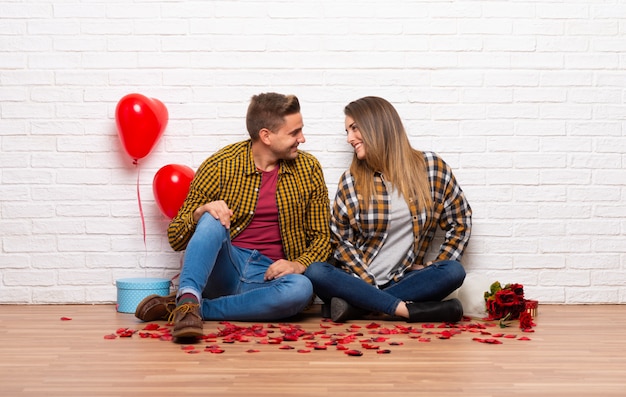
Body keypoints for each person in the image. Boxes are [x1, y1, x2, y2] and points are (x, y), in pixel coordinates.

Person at [135, 92, 332, 340]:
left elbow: (322, 238)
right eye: (294, 133)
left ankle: (189, 308)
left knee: (301, 289)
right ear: (266, 136)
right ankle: (189, 296)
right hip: (225, 267)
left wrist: (297, 264)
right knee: (212, 216)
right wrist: (199, 213)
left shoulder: (308, 168)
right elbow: (175, 237)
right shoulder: (220, 165)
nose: (302, 139)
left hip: (268, 277)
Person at [304, 96, 472, 323]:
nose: (349, 138)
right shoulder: (351, 181)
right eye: (347, 132)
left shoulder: (431, 168)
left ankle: (357, 309)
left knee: (453, 271)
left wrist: (437, 263)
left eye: (354, 128)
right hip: (356, 281)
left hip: (404, 281)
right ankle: (406, 310)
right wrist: (366, 282)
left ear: (377, 126)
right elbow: (340, 242)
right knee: (316, 272)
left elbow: (460, 220)